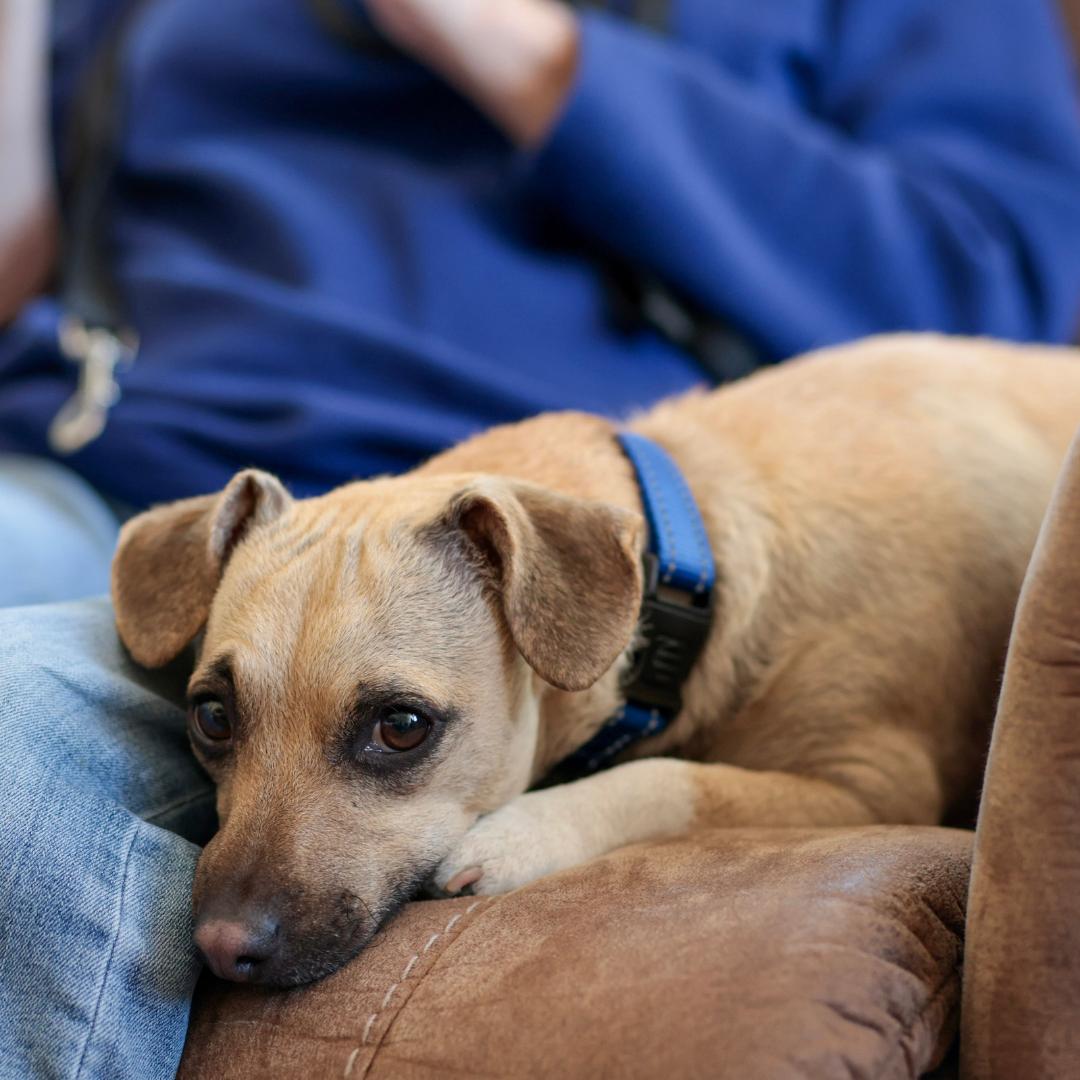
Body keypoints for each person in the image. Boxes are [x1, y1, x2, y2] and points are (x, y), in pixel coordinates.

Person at [1, 0, 1079, 1075]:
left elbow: (1011, 279)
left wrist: (497, 36)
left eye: (397, 732)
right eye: (219, 724)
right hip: (117, 482)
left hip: (526, 475)